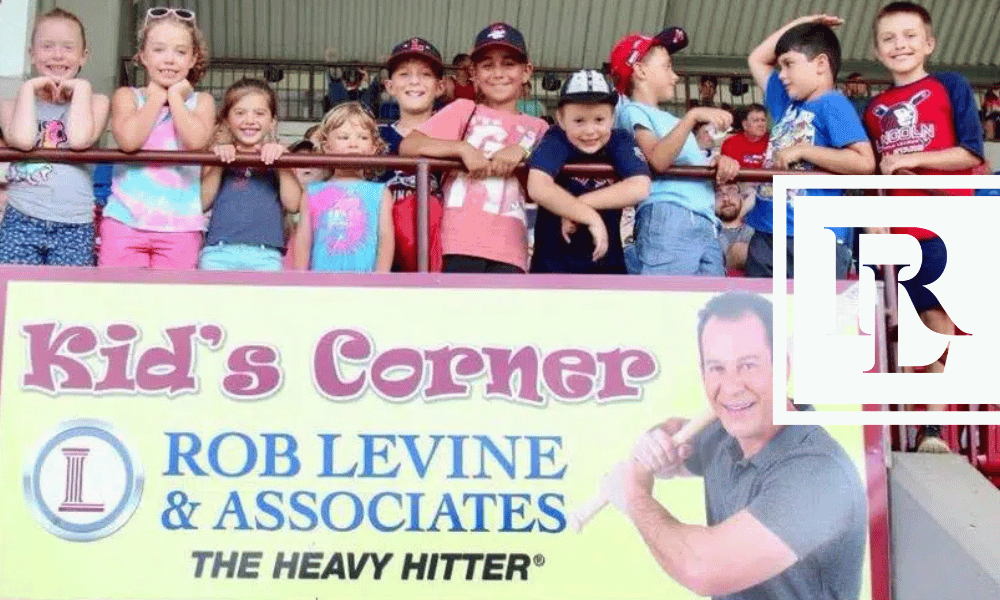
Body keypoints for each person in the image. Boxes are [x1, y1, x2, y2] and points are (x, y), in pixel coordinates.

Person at [602, 291, 866, 599]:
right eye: (717, 368)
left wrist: (635, 497)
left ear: (782, 367)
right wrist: (656, 441)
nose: (731, 387)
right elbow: (677, 431)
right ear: (703, 373)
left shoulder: (818, 474)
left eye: (748, 365)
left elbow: (704, 568)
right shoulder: (725, 433)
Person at [864, 1, 987, 453]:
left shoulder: (950, 85)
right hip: (893, 230)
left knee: (937, 321)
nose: (901, 45)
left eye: (910, 36)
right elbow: (871, 173)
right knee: (891, 328)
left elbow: (971, 153)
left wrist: (911, 159)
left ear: (929, 43)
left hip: (944, 222)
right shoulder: (873, 107)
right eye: (889, 39)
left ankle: (931, 428)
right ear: (876, 51)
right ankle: (896, 430)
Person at [399, 22, 548, 274]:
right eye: (487, 65)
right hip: (455, 242)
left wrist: (522, 151)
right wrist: (461, 149)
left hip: (510, 248)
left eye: (509, 64)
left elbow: (555, 163)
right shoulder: (462, 109)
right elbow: (409, 145)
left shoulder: (539, 126)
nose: (498, 73)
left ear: (526, 71)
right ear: (474, 75)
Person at [744, 15, 876, 279]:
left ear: (821, 64)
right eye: (779, 66)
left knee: (811, 320)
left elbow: (865, 162)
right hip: (767, 233)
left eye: (788, 64)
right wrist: (804, 22)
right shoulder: (787, 104)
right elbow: (756, 58)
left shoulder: (832, 103)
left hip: (815, 238)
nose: (781, 74)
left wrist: (803, 151)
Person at [609, 27, 740, 276]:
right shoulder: (633, 112)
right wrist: (693, 116)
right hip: (669, 213)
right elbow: (659, 159)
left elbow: (691, 162)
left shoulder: (669, 120)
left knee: (705, 308)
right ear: (640, 70)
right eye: (667, 66)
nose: (675, 76)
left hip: (704, 219)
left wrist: (720, 162)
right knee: (667, 305)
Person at [100, 7, 214, 269]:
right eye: (159, 50)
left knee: (172, 304)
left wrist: (174, 97)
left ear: (193, 58)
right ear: (142, 56)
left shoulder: (202, 102)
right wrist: (156, 98)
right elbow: (129, 141)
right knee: (119, 300)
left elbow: (195, 142)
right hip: (124, 221)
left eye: (180, 51)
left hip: (181, 226)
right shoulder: (127, 97)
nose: (169, 59)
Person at [0, 8, 109, 266]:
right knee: (13, 298)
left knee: (65, 301)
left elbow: (80, 139)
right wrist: (28, 88)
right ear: (32, 55)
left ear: (84, 56)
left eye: (68, 48)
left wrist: (81, 89)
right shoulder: (9, 105)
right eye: (47, 47)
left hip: (75, 223)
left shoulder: (96, 101)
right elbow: (24, 141)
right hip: (21, 218)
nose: (58, 55)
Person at [527, 69, 651, 274]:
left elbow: (640, 187)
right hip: (551, 267)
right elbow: (538, 186)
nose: (590, 130)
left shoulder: (619, 140)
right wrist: (589, 217)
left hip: (607, 266)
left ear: (612, 118)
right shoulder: (556, 138)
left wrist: (582, 205)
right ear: (561, 118)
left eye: (599, 120)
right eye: (579, 121)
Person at [199, 79, 301, 271]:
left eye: (259, 113)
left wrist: (282, 163)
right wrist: (219, 162)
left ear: (272, 122)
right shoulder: (214, 155)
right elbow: (202, 202)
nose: (250, 120)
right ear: (227, 121)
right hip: (218, 252)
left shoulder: (281, 156)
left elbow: (294, 204)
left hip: (267, 254)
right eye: (240, 113)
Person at [294, 101, 393, 273]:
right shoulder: (312, 192)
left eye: (363, 137)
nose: (354, 144)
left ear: (374, 147)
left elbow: (385, 238)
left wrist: (381, 279)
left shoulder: (380, 192)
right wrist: (300, 278)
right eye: (343, 137)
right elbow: (303, 238)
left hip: (365, 281)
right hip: (320, 280)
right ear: (327, 146)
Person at [378, 37, 446, 272]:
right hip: (382, 255)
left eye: (425, 74)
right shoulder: (371, 138)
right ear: (389, 86)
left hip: (437, 254)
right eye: (404, 74)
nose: (414, 81)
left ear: (440, 86)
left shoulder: (454, 136)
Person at [716, 183, 755, 275]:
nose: (725, 198)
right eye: (718, 193)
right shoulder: (707, 232)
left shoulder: (756, 231)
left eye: (731, 190)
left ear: (742, 196)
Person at [721, 103, 769, 169]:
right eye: (756, 121)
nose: (761, 124)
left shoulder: (773, 142)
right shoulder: (731, 143)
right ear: (744, 125)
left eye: (763, 120)